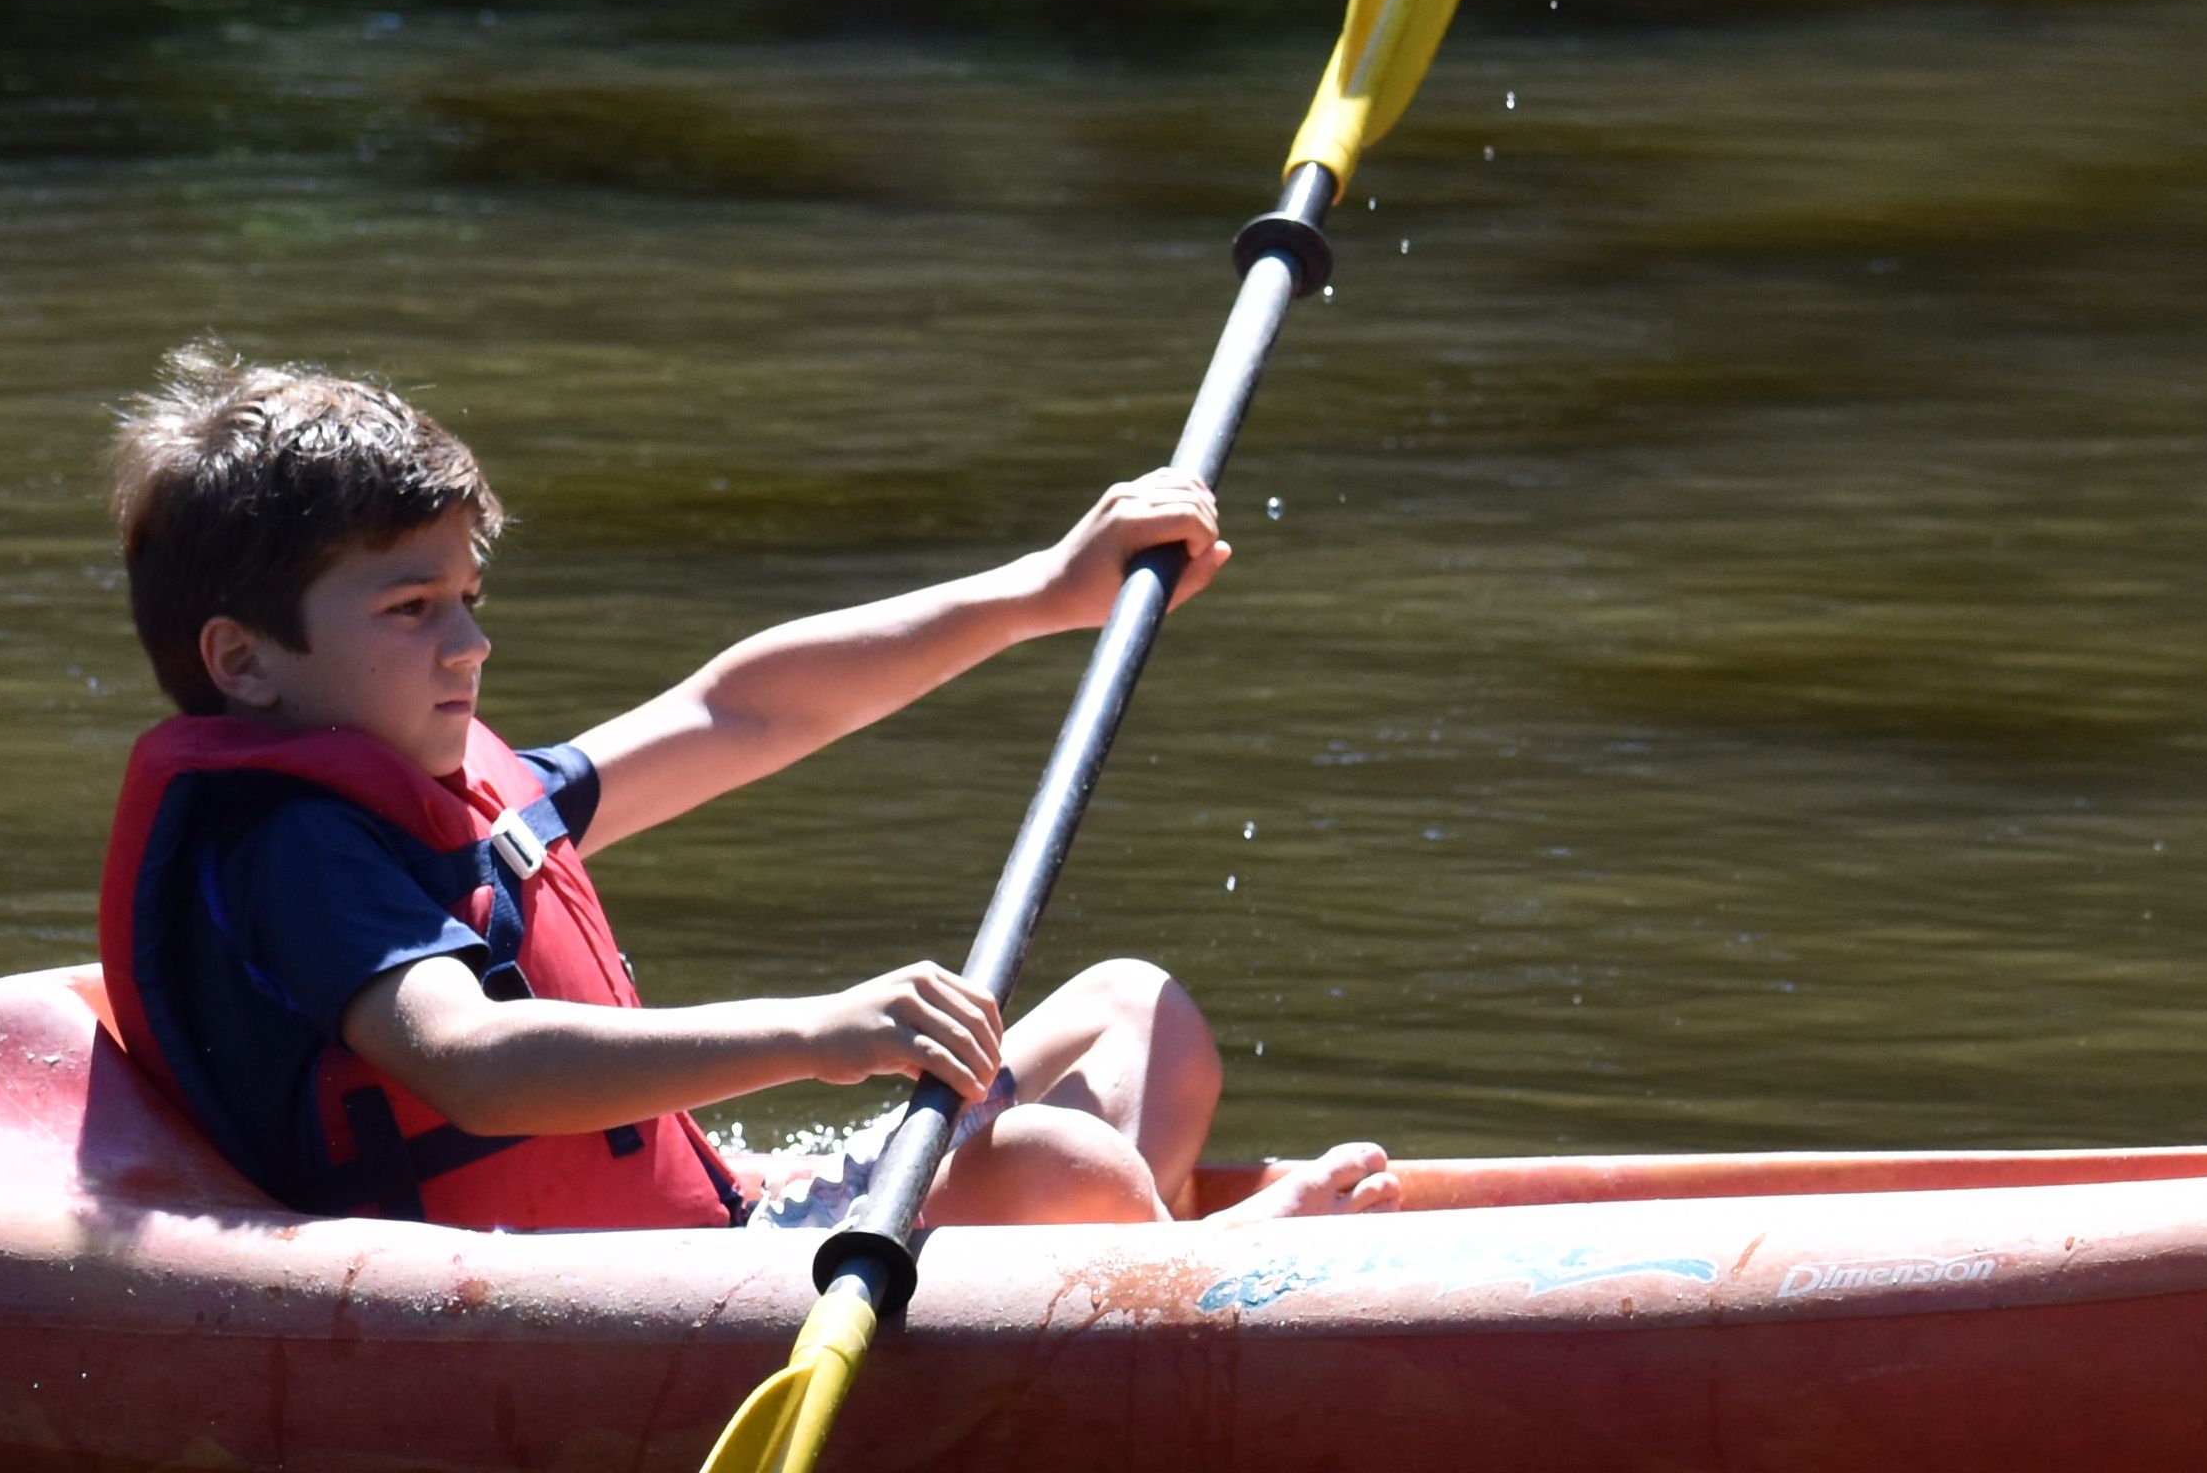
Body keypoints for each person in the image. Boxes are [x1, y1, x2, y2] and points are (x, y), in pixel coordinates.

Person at [93, 342, 1397, 1235]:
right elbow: (472, 1063)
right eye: (412, 608)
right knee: (1058, 1162)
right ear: (244, 662)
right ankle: (1194, 1286)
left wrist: (1040, 596)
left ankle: (1133, 1260)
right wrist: (822, 1032)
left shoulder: (459, 799)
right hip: (591, 1301)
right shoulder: (298, 855)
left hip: (714, 1221)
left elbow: (742, 708)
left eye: (470, 600)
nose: (470, 645)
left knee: (1135, 1016)